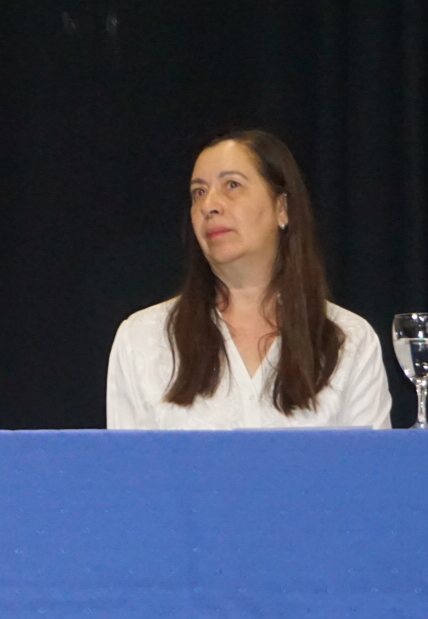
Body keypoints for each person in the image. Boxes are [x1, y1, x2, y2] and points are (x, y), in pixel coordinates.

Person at [106, 128, 391, 429]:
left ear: (282, 208)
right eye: (198, 192)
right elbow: (124, 460)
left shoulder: (349, 340)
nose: (209, 205)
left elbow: (373, 459)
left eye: (232, 185)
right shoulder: (143, 339)